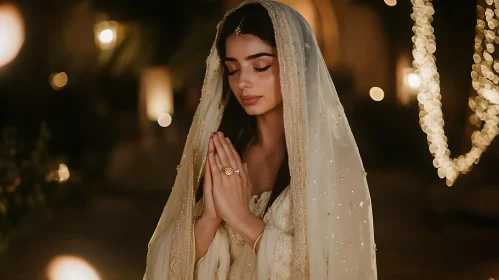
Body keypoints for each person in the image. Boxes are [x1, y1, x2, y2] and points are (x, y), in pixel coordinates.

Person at [143, 1, 377, 279]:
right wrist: (209, 219)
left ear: (294, 65)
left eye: (261, 66)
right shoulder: (225, 153)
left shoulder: (331, 165)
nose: (242, 81)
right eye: (233, 69)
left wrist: (243, 220)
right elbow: (163, 260)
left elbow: (337, 271)